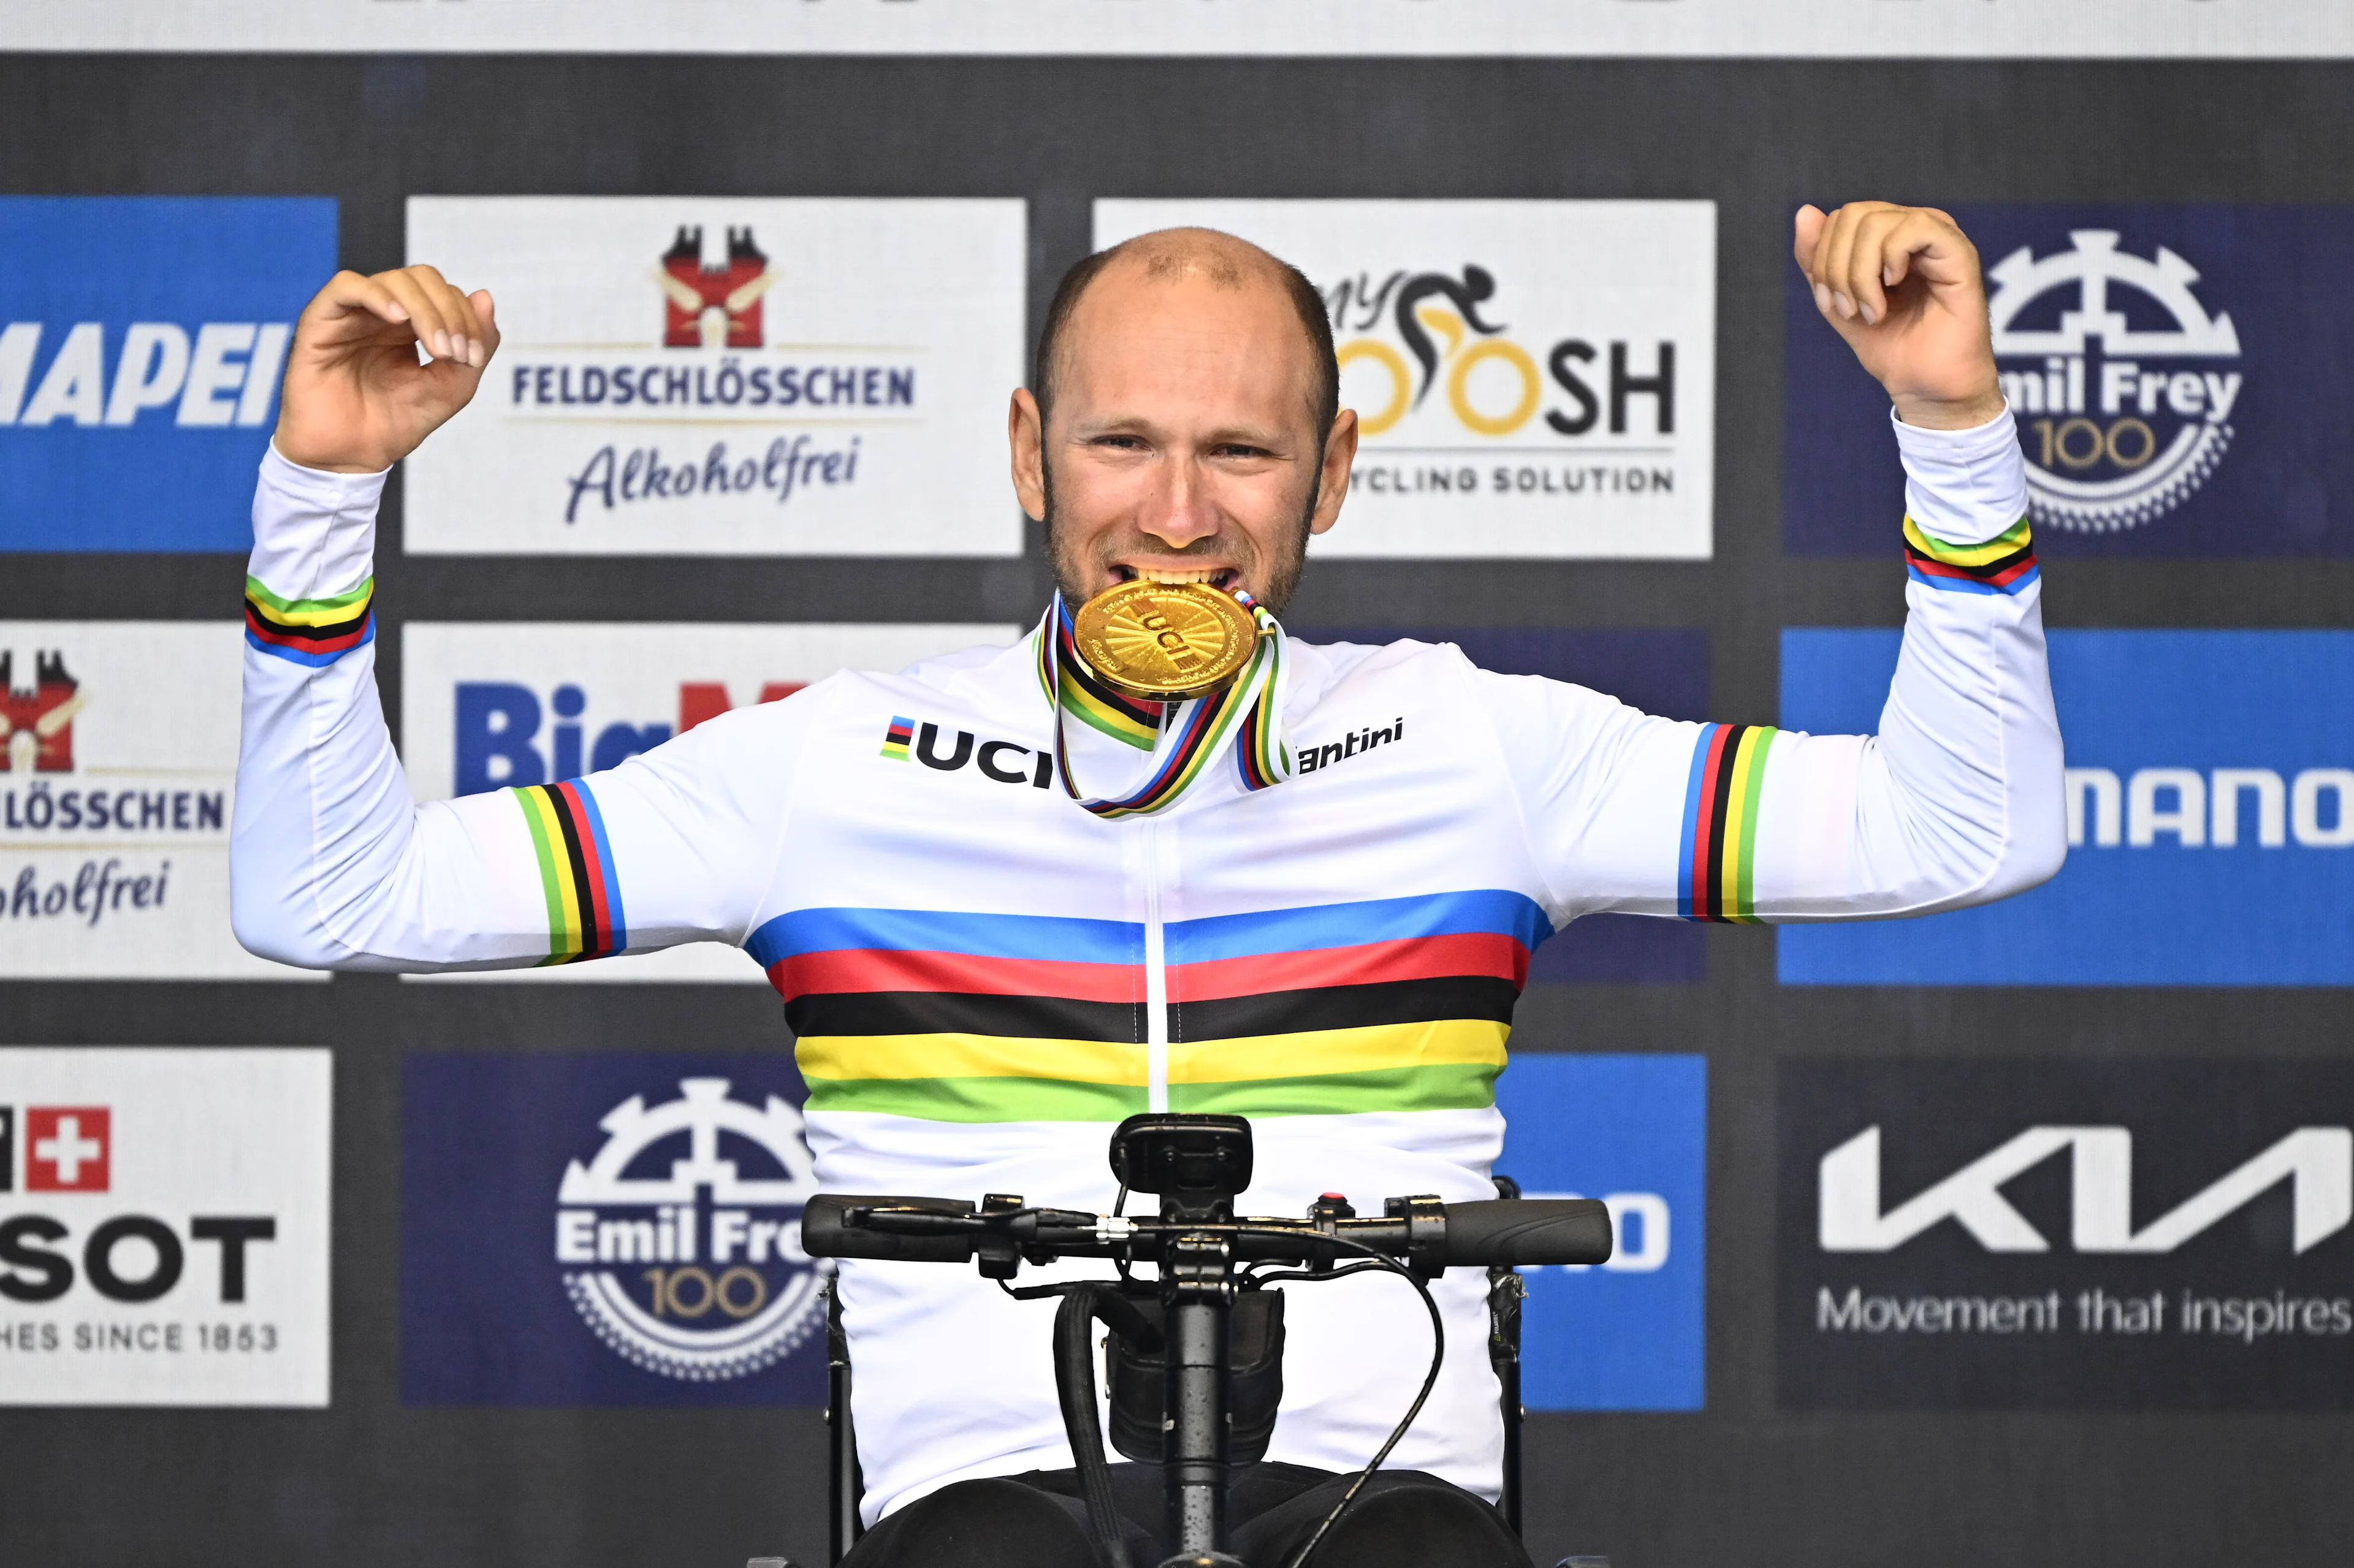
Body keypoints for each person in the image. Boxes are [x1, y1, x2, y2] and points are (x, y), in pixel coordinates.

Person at [232, 204, 2062, 1567]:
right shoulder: (832, 766)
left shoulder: (1468, 744)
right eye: (1122, 443)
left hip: (1381, 1501)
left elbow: (1962, 826)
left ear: (1333, 474)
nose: (1176, 515)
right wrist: (323, 491)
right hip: (985, 1509)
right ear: (1032, 453)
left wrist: (1953, 422)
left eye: (1240, 451)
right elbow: (330, 894)